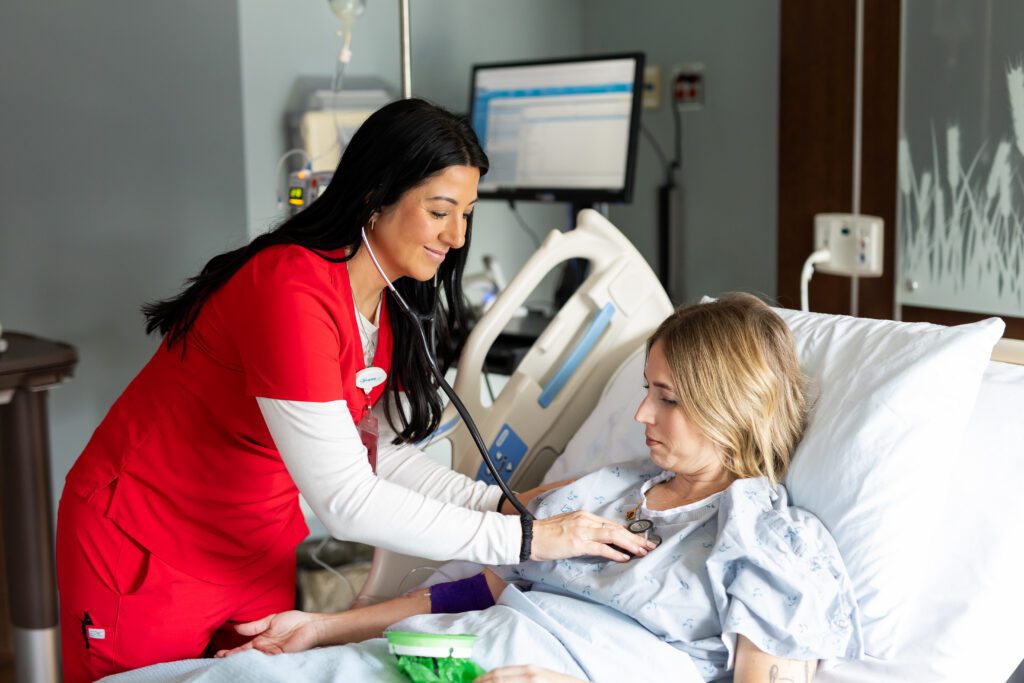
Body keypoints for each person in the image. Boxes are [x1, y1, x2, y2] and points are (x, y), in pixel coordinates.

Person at [55, 98, 654, 683]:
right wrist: (524, 539)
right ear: (376, 195)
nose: (456, 236)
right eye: (440, 211)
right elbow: (344, 498)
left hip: (251, 549)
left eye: (467, 214)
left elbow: (376, 455)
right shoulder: (290, 291)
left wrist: (497, 504)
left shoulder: (384, 305)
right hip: (148, 546)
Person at [217, 294, 864, 682]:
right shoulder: (610, 488)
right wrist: (323, 628)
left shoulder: (772, 544)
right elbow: (482, 587)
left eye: (666, 398)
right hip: (445, 658)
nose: (642, 413)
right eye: (646, 389)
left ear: (730, 405)